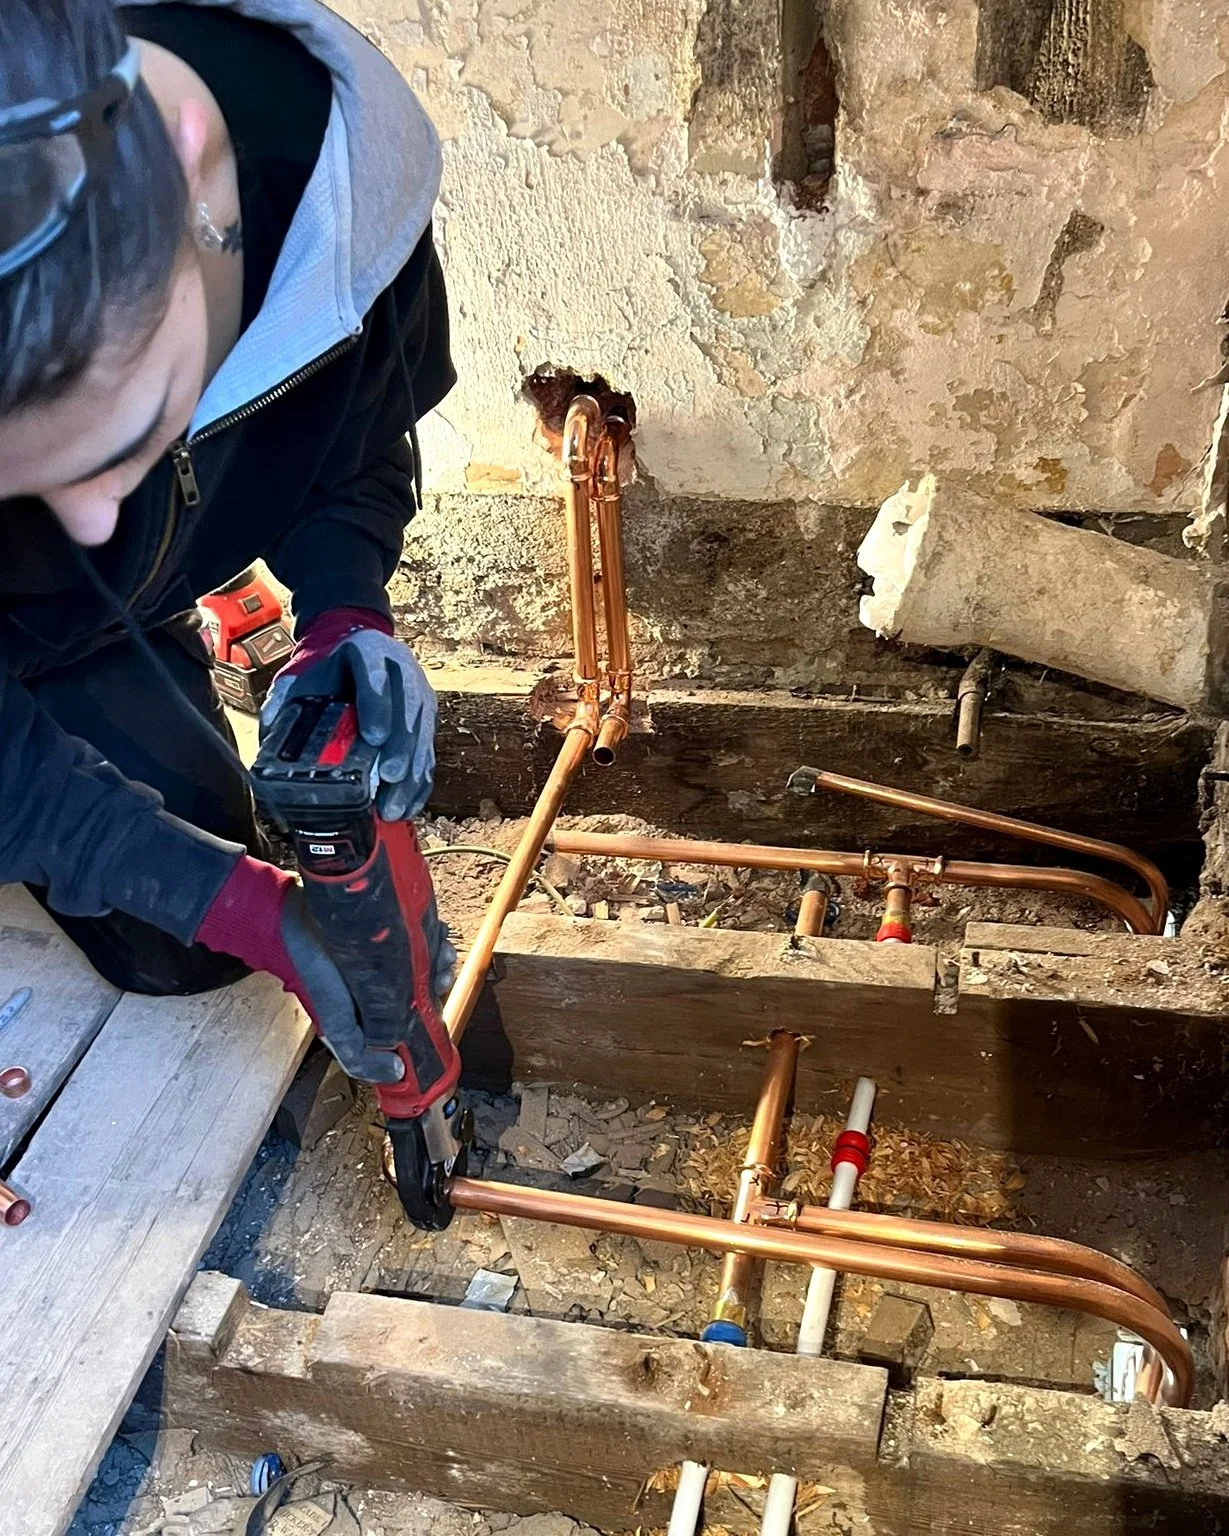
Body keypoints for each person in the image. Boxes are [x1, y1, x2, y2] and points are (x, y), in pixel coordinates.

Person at [0, 0, 455, 1083]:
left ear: (191, 167)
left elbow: (353, 435)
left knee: (179, 953)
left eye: (114, 444)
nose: (88, 526)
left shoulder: (338, 203)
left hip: (72, 633)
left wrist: (344, 606)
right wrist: (251, 911)